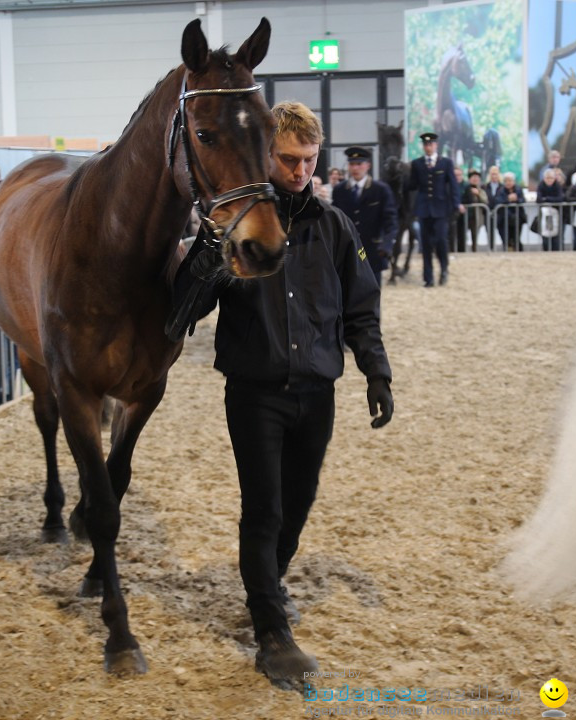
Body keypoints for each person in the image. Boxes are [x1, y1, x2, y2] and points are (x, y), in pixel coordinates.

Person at [169, 101, 393, 689]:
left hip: (318, 391)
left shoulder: (336, 227)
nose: (300, 171)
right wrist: (212, 259)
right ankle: (270, 627)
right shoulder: (236, 227)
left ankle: (267, 584)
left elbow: (361, 308)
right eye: (290, 160)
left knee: (296, 505)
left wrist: (377, 372)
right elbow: (182, 312)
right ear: (267, 157)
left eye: (309, 161)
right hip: (256, 391)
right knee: (264, 507)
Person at [331, 146, 398, 287]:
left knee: (372, 293)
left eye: (359, 164)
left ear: (368, 165)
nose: (355, 168)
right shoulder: (340, 190)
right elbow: (334, 220)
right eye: (352, 164)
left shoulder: (380, 190)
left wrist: (386, 245)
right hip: (347, 250)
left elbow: (391, 221)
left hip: (373, 251)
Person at [404, 132, 462, 286]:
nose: (428, 147)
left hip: (441, 208)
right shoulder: (417, 164)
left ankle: (444, 268)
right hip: (423, 209)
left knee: (441, 240)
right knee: (426, 244)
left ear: (436, 145)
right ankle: (428, 277)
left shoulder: (446, 163)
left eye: (431, 144)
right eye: (425, 144)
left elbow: (453, 185)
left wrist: (456, 203)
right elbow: (413, 185)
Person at [535, 169, 566, 251]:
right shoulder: (541, 185)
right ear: (544, 178)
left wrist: (547, 199)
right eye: (547, 178)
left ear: (554, 178)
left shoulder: (557, 186)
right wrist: (549, 200)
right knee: (545, 236)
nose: (549, 180)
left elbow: (560, 198)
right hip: (544, 215)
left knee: (557, 238)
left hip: (557, 214)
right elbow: (538, 199)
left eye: (551, 178)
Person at [498, 172, 527, 251]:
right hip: (504, 219)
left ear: (513, 181)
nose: (508, 183)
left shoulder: (518, 189)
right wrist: (508, 199)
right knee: (506, 239)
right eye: (506, 181)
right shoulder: (501, 190)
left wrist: (517, 199)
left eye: (510, 180)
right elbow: (498, 201)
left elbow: (523, 200)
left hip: (518, 219)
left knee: (516, 238)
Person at [462, 170, 489, 252]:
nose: (475, 179)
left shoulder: (482, 189)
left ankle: (474, 250)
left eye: (477, 177)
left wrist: (478, 194)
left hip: (476, 215)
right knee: (462, 234)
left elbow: (485, 201)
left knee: (475, 234)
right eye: (473, 177)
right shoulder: (465, 188)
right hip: (465, 215)